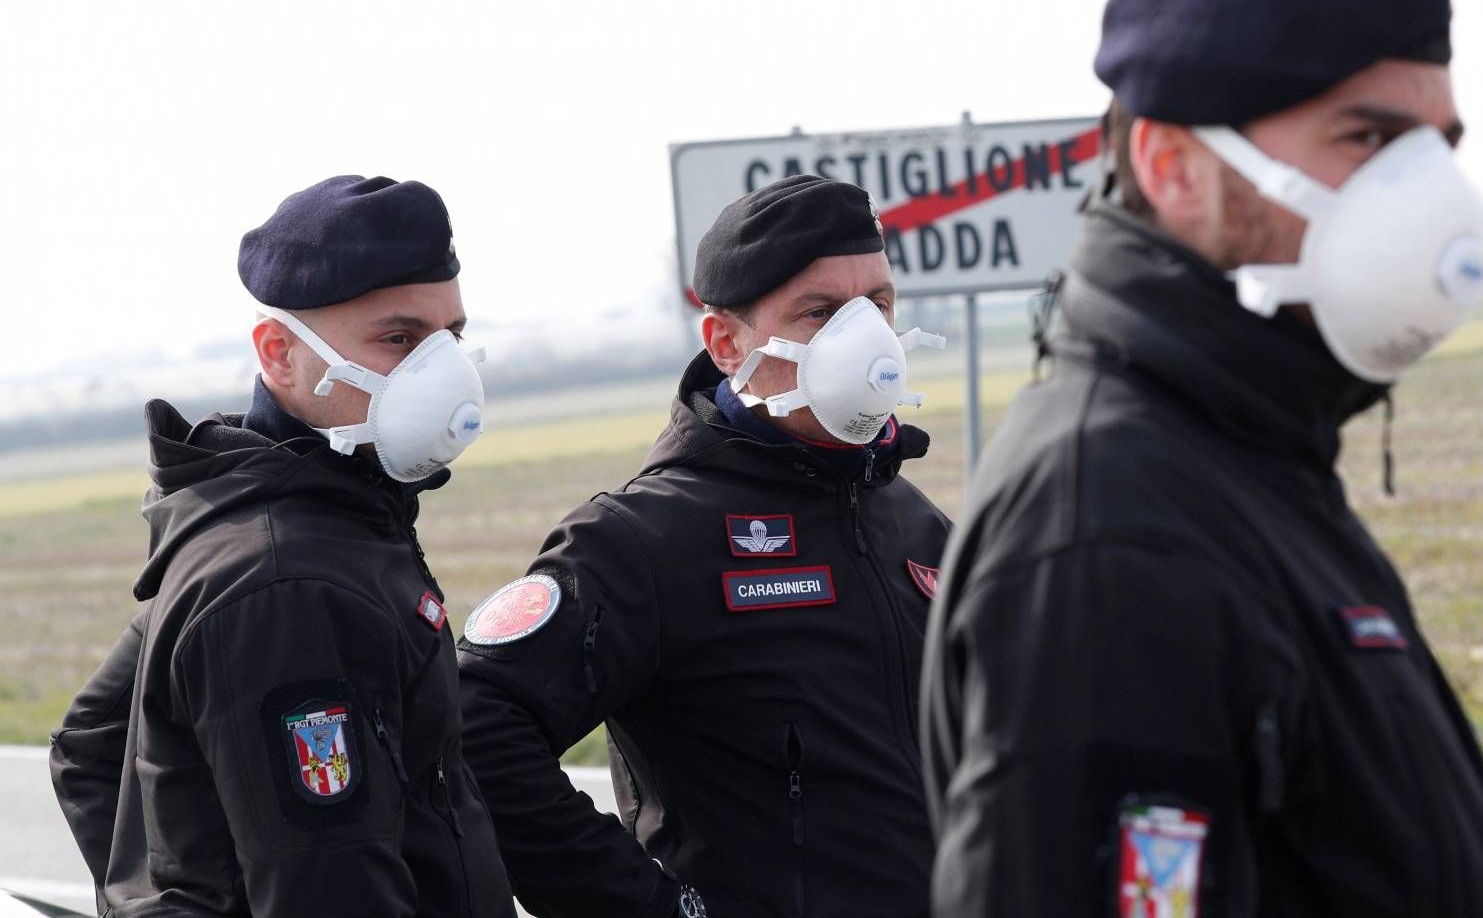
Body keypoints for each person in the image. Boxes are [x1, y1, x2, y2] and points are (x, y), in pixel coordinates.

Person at [920, 0, 1483, 918]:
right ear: (1171, 165)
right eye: (1367, 136)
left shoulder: (1242, 454)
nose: (1427, 193)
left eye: (1436, 143)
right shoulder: (1111, 532)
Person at [458, 175, 952, 917]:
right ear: (726, 342)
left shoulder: (914, 521)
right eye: (820, 312)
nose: (866, 336)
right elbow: (476, 725)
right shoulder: (643, 539)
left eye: (877, 305)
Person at [49, 175, 515, 917]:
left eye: (450, 336)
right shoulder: (283, 579)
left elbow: (96, 739)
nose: (443, 371)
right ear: (280, 352)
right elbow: (332, 894)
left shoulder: (301, 517)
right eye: (399, 338)